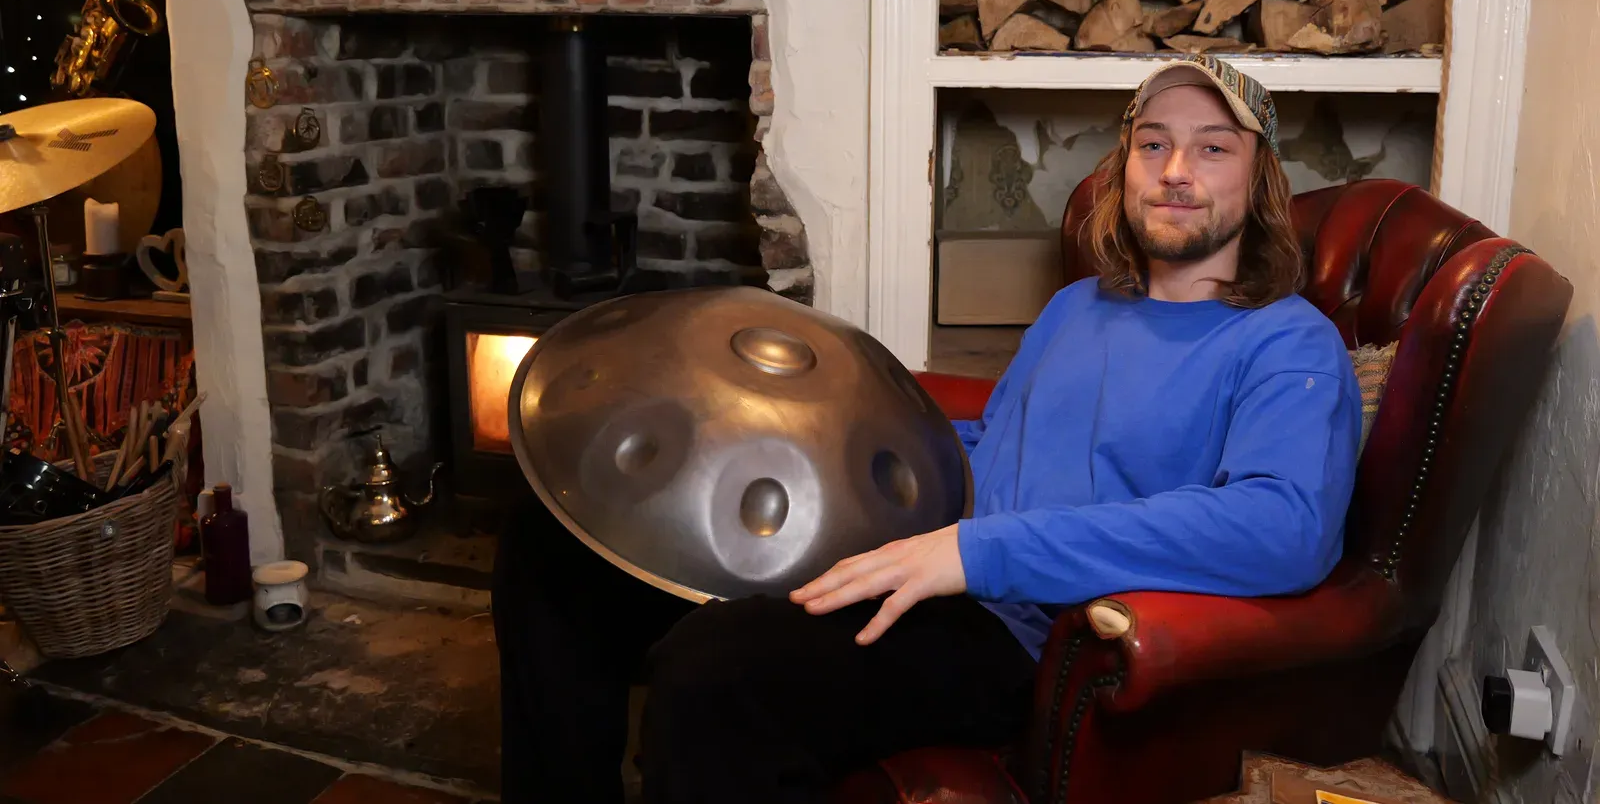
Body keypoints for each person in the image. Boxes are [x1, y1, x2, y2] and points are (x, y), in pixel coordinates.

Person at [492, 55, 1362, 804]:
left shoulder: (1287, 341)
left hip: (1021, 634)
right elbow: (992, 445)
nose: (1177, 168)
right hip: (932, 563)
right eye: (1154, 142)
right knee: (555, 546)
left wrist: (975, 554)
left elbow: (1283, 528)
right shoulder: (1079, 307)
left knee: (720, 672)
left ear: (1260, 183)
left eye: (1213, 147)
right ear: (1125, 164)